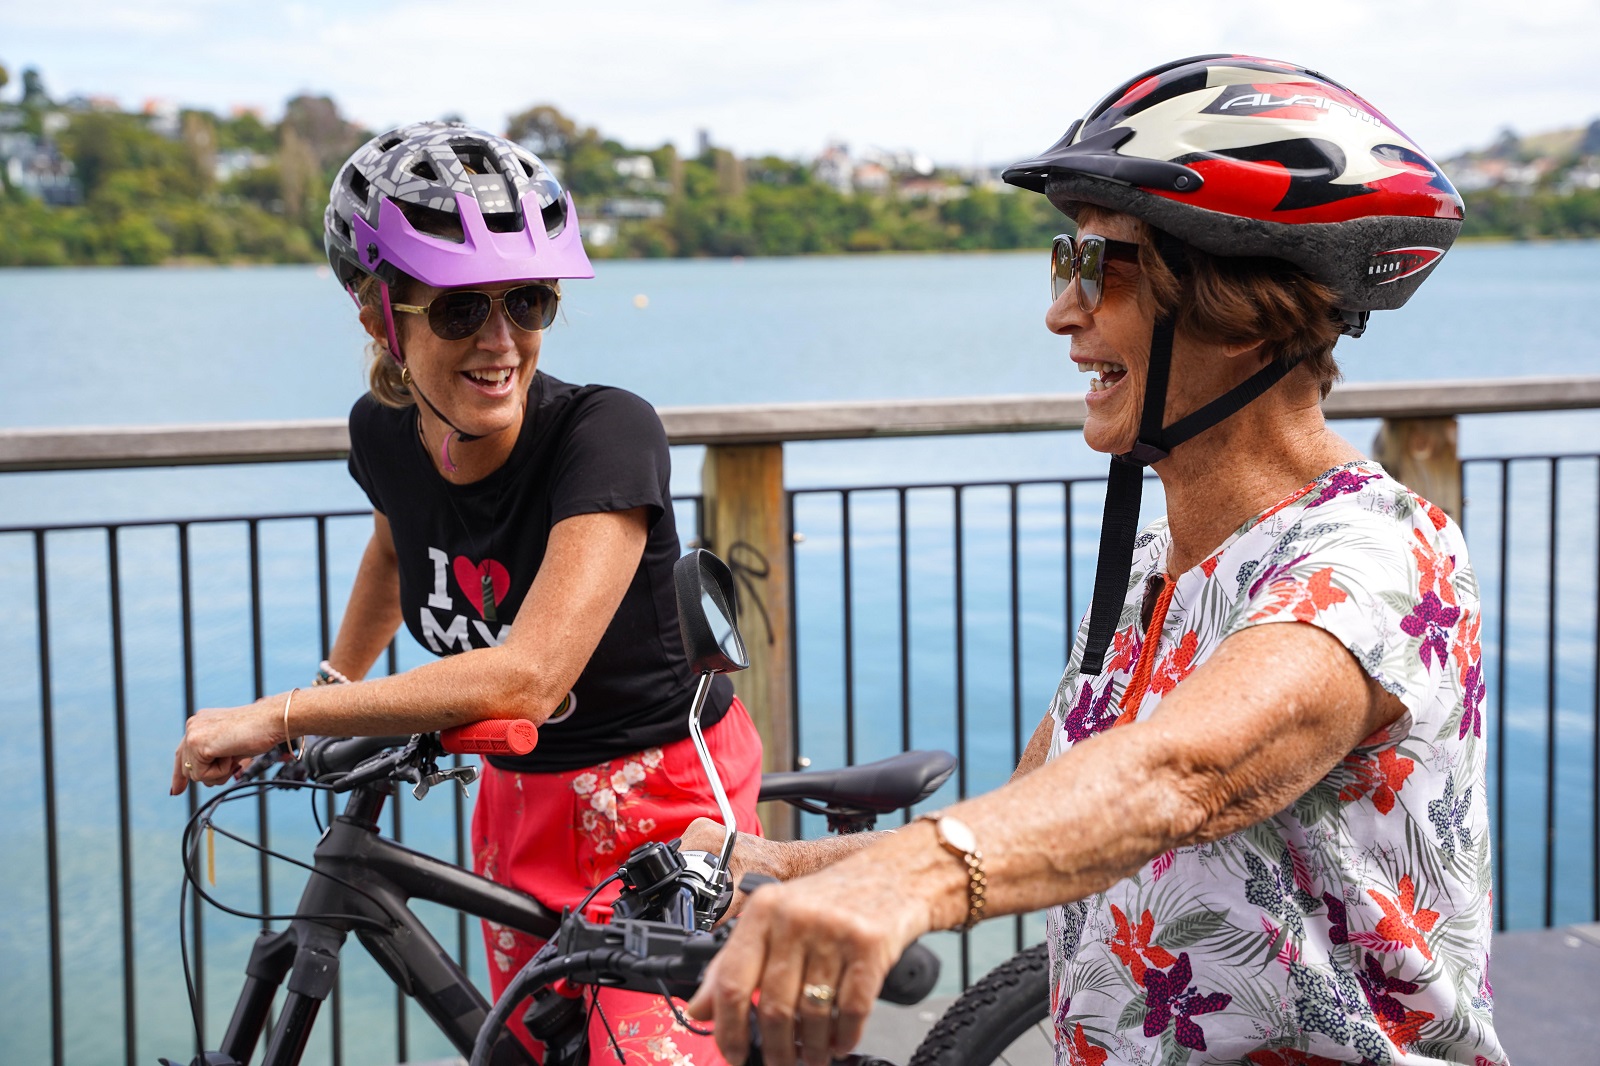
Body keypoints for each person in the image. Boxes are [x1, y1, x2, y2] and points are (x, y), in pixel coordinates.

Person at [684, 56, 1506, 1066]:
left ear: (1241, 311)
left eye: (1097, 267)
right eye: (1062, 262)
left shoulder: (1378, 563)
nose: (1060, 313)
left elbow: (1183, 772)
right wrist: (781, 865)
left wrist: (905, 885)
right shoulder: (1163, 566)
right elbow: (1035, 815)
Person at [170, 121, 764, 1063]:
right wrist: (334, 680)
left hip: (661, 804)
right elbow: (397, 551)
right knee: (526, 1051)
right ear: (381, 316)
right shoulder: (382, 432)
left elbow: (528, 677)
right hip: (516, 799)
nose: (501, 343)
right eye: (458, 312)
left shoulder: (604, 433)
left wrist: (285, 714)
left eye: (527, 302)